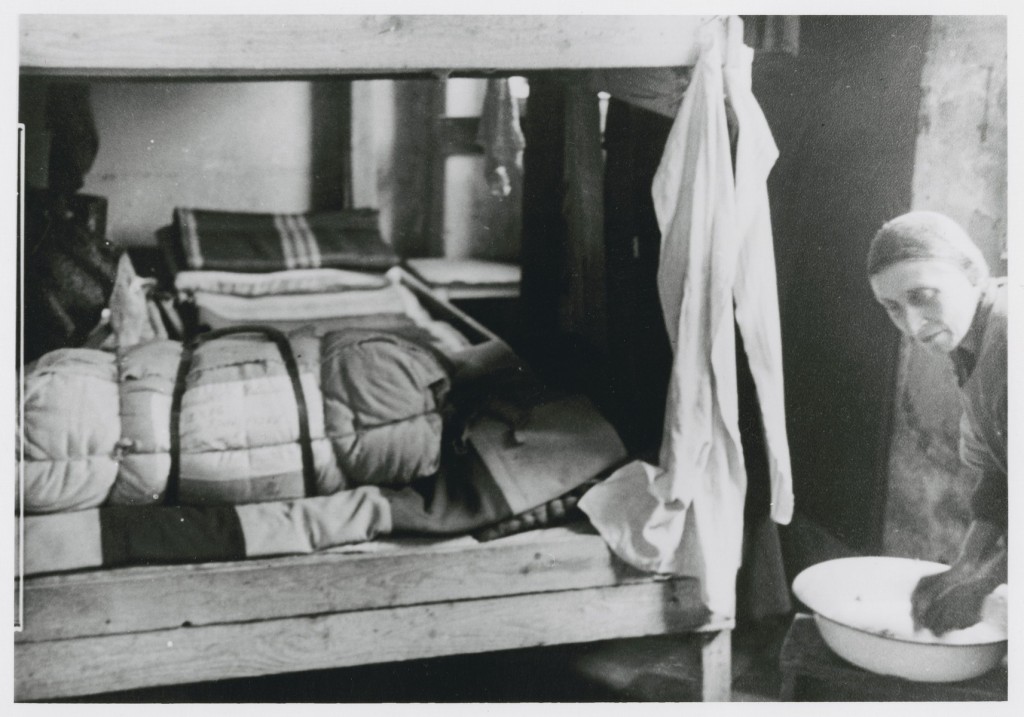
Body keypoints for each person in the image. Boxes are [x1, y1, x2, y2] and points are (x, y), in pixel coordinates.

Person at [867, 211, 1007, 635]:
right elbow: (1000, 475)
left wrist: (987, 579)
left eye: (923, 295)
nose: (911, 324)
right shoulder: (972, 344)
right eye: (893, 308)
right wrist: (964, 567)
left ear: (971, 272)